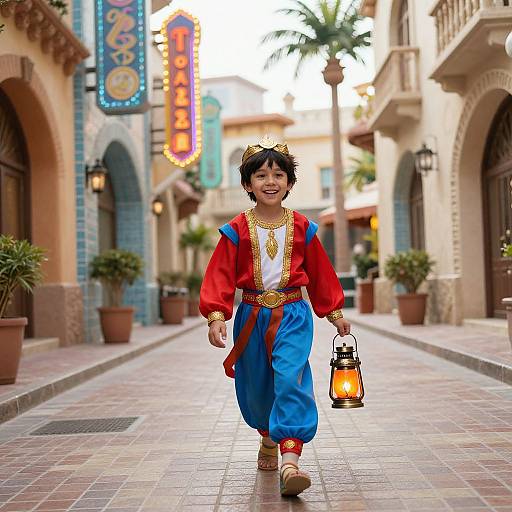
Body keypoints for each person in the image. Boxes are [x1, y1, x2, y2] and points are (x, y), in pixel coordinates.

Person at [199, 136, 351, 497]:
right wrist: (217, 314)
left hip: (293, 315)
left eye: (279, 174)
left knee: (290, 378)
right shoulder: (235, 229)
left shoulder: (303, 228)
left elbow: (320, 271)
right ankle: (267, 437)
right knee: (258, 387)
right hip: (251, 315)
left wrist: (334, 312)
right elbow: (219, 273)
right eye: (262, 175)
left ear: (290, 182)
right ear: (248, 184)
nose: (271, 181)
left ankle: (290, 461)